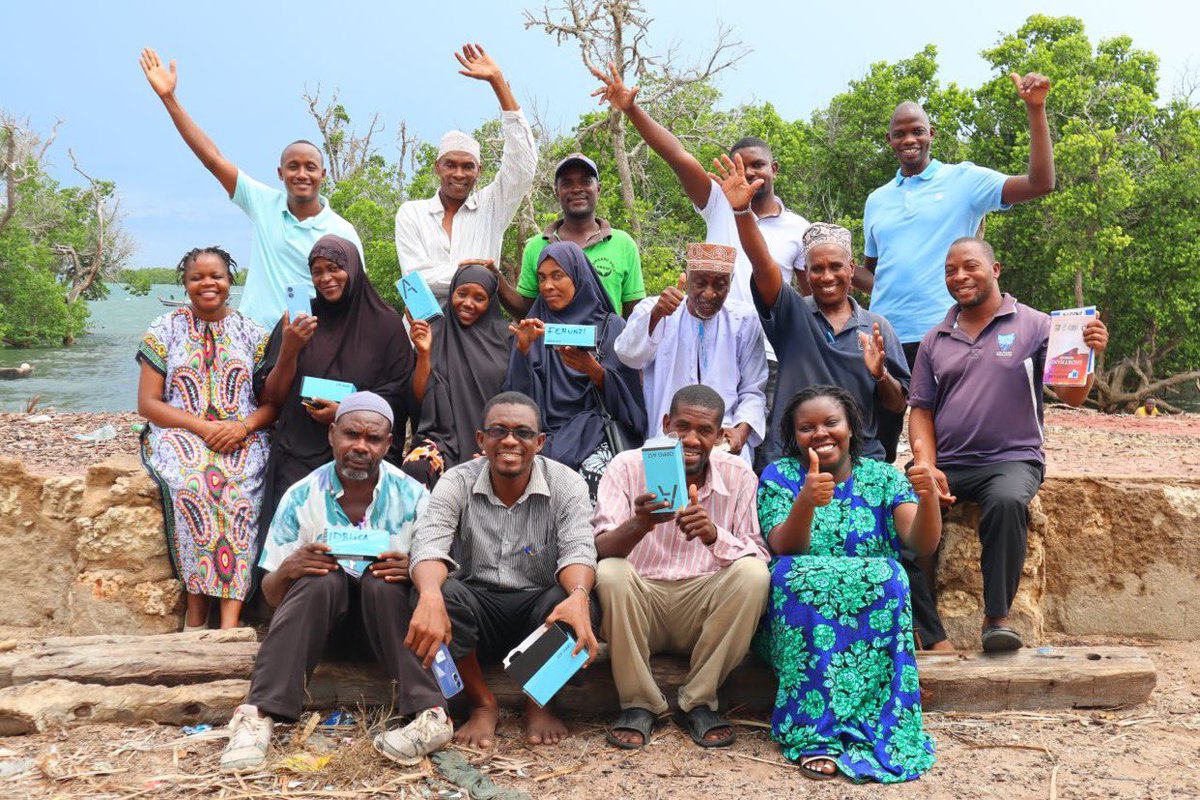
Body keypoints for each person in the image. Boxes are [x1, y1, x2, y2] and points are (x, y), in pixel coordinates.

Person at [220, 393, 452, 772]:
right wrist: (289, 568)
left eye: (373, 438)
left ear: (389, 444)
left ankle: (431, 714)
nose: (361, 446)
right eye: (351, 434)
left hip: (390, 634)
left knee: (384, 581)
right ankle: (256, 715)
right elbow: (272, 596)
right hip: (320, 636)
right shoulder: (301, 496)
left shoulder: (413, 497)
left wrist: (412, 569)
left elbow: (438, 576)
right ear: (332, 434)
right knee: (320, 579)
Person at [908, 237, 1109, 652]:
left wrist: (1089, 355)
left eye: (970, 267)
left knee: (1005, 501)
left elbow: (1071, 396)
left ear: (995, 269)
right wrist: (926, 465)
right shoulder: (935, 338)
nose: (960, 277)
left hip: (1013, 459)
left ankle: (996, 618)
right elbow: (922, 410)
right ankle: (930, 634)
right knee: (898, 512)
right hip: (950, 463)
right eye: (950, 271)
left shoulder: (1036, 325)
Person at [858, 73, 1057, 461]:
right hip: (886, 340)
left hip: (945, 335)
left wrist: (1036, 109)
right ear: (889, 141)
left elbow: (1040, 183)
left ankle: (944, 518)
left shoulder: (964, 180)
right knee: (874, 449)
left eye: (917, 130)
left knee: (942, 449)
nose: (909, 140)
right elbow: (873, 273)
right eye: (899, 134)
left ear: (931, 133)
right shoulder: (877, 200)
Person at [590, 62, 810, 396]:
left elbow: (807, 300)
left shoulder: (799, 228)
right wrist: (632, 109)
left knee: (759, 439)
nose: (749, 173)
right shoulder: (718, 202)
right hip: (711, 341)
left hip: (769, 352)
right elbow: (678, 156)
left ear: (774, 168)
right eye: (741, 165)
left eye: (758, 165)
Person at [756, 385, 939, 783]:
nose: (820, 433)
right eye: (807, 427)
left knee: (892, 576)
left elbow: (920, 543)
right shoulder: (779, 475)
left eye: (830, 423)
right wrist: (805, 499)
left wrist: (930, 502)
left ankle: (874, 723)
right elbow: (783, 547)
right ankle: (814, 734)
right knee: (790, 575)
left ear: (851, 428)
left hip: (869, 607)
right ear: (794, 436)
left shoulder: (882, 477)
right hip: (803, 604)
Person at [405, 391, 601, 749]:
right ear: (481, 439)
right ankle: (482, 704)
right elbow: (429, 544)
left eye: (523, 433)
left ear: (540, 442)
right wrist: (430, 594)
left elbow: (579, 550)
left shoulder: (566, 483)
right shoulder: (456, 481)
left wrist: (578, 596)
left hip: (538, 611)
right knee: (435, 593)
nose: (511, 440)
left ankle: (538, 702)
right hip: (477, 610)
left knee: (581, 603)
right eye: (498, 430)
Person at [593, 385, 769, 750]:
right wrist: (639, 524)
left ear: (720, 436)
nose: (690, 439)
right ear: (665, 423)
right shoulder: (627, 466)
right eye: (681, 427)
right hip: (642, 603)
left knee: (753, 575)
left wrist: (714, 536)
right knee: (611, 572)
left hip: (701, 608)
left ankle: (699, 700)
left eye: (704, 431)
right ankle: (640, 702)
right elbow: (601, 547)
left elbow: (759, 552)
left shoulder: (738, 475)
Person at [139, 48, 363, 328]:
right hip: (254, 339)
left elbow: (354, 296)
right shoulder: (263, 203)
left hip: (312, 342)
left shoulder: (341, 231)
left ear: (323, 174)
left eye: (310, 167)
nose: (302, 174)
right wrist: (169, 98)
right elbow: (212, 159)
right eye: (293, 167)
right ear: (280, 174)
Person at [708, 155, 909, 464]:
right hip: (791, 459)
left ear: (851, 269)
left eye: (835, 267)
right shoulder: (792, 315)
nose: (826, 276)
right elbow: (764, 266)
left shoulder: (876, 327)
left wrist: (880, 374)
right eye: (816, 269)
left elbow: (897, 405)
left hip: (859, 463)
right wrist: (741, 211)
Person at [137, 247, 277, 630]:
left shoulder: (253, 333)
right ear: (185, 284)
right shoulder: (164, 329)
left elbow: (272, 405)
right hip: (181, 432)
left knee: (237, 489)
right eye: (197, 277)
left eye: (215, 275)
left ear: (230, 281)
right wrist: (202, 427)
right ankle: (197, 613)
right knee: (196, 484)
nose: (207, 283)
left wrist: (242, 427)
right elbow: (148, 404)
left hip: (241, 435)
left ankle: (229, 620)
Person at [257, 235, 413, 550]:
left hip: (360, 452)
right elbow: (270, 396)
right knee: (293, 548)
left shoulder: (385, 325)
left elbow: (398, 393)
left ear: (353, 268)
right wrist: (290, 349)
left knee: (352, 552)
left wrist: (345, 413)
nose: (326, 279)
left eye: (334, 268)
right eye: (317, 271)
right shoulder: (298, 321)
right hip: (298, 448)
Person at [394, 43, 536, 306]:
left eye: (468, 166)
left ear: (478, 170)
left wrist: (497, 82)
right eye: (451, 165)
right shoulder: (411, 213)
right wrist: (476, 272)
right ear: (438, 167)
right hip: (423, 330)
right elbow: (412, 281)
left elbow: (523, 165)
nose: (459, 173)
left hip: (478, 335)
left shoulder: (492, 207)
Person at [503, 241, 646, 499]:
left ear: (579, 276)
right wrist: (523, 352)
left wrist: (596, 372)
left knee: (594, 478)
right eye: (542, 278)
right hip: (543, 437)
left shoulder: (610, 328)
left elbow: (632, 404)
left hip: (595, 435)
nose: (547, 286)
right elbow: (517, 402)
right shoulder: (534, 328)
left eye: (558, 276)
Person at [615, 243, 768, 466]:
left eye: (719, 285)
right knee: (664, 498)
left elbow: (753, 390)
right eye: (701, 283)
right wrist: (657, 314)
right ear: (686, 279)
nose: (709, 293)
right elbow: (628, 356)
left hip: (722, 440)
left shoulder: (743, 320)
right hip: (667, 436)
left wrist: (740, 431)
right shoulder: (655, 308)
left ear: (730, 284)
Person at [404, 263, 512, 487]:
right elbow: (417, 399)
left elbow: (519, 396)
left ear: (491, 301)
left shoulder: (508, 338)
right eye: (461, 294)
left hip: (495, 441)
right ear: (452, 292)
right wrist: (424, 354)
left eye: (479, 298)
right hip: (443, 441)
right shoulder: (433, 333)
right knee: (417, 466)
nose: (468, 303)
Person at [510, 153, 645, 318]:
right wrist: (495, 276)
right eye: (567, 183)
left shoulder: (623, 243)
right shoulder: (536, 246)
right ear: (556, 192)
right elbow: (527, 310)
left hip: (604, 343)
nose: (577, 189)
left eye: (586, 182)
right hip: (551, 342)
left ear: (598, 189)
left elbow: (634, 313)